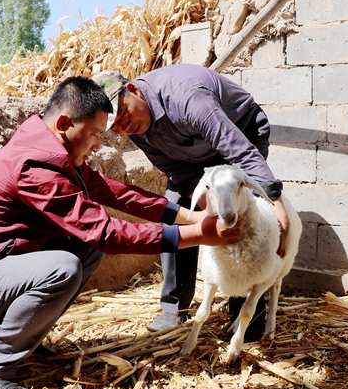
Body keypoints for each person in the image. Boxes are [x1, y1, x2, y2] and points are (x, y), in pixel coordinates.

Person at [0, 77, 244, 389]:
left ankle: (23, 340)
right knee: (63, 268)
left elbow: (117, 193)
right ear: (64, 124)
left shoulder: (51, 149)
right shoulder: (35, 166)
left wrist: (190, 216)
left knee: (84, 250)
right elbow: (106, 233)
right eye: (95, 134)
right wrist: (199, 235)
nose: (98, 145)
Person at [92, 64, 291, 340]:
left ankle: (246, 316)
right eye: (115, 126)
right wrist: (205, 210)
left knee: (241, 216)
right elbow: (174, 169)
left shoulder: (185, 97)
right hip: (189, 160)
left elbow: (238, 149)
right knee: (176, 213)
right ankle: (174, 308)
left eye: (123, 114)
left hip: (239, 134)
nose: (124, 126)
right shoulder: (136, 126)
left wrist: (275, 201)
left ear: (133, 89)